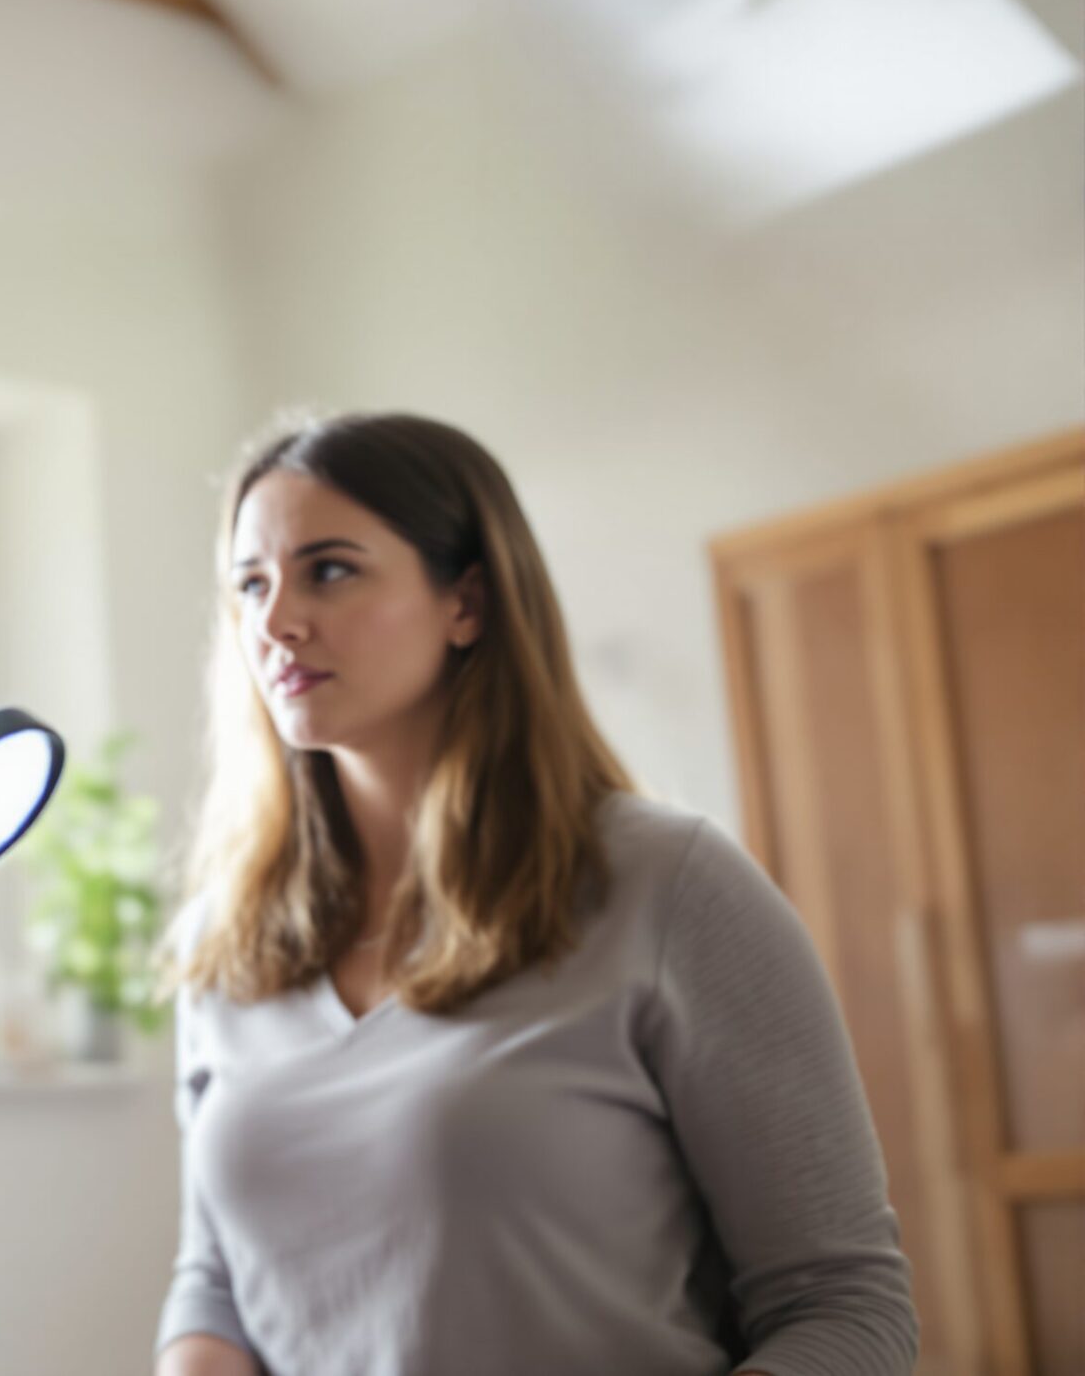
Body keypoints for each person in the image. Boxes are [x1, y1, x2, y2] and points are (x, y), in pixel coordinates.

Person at [153, 414, 916, 1376]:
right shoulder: (223, 945)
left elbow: (844, 1307)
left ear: (467, 602)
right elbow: (216, 1278)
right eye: (250, 585)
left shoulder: (669, 886)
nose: (275, 623)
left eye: (330, 570)